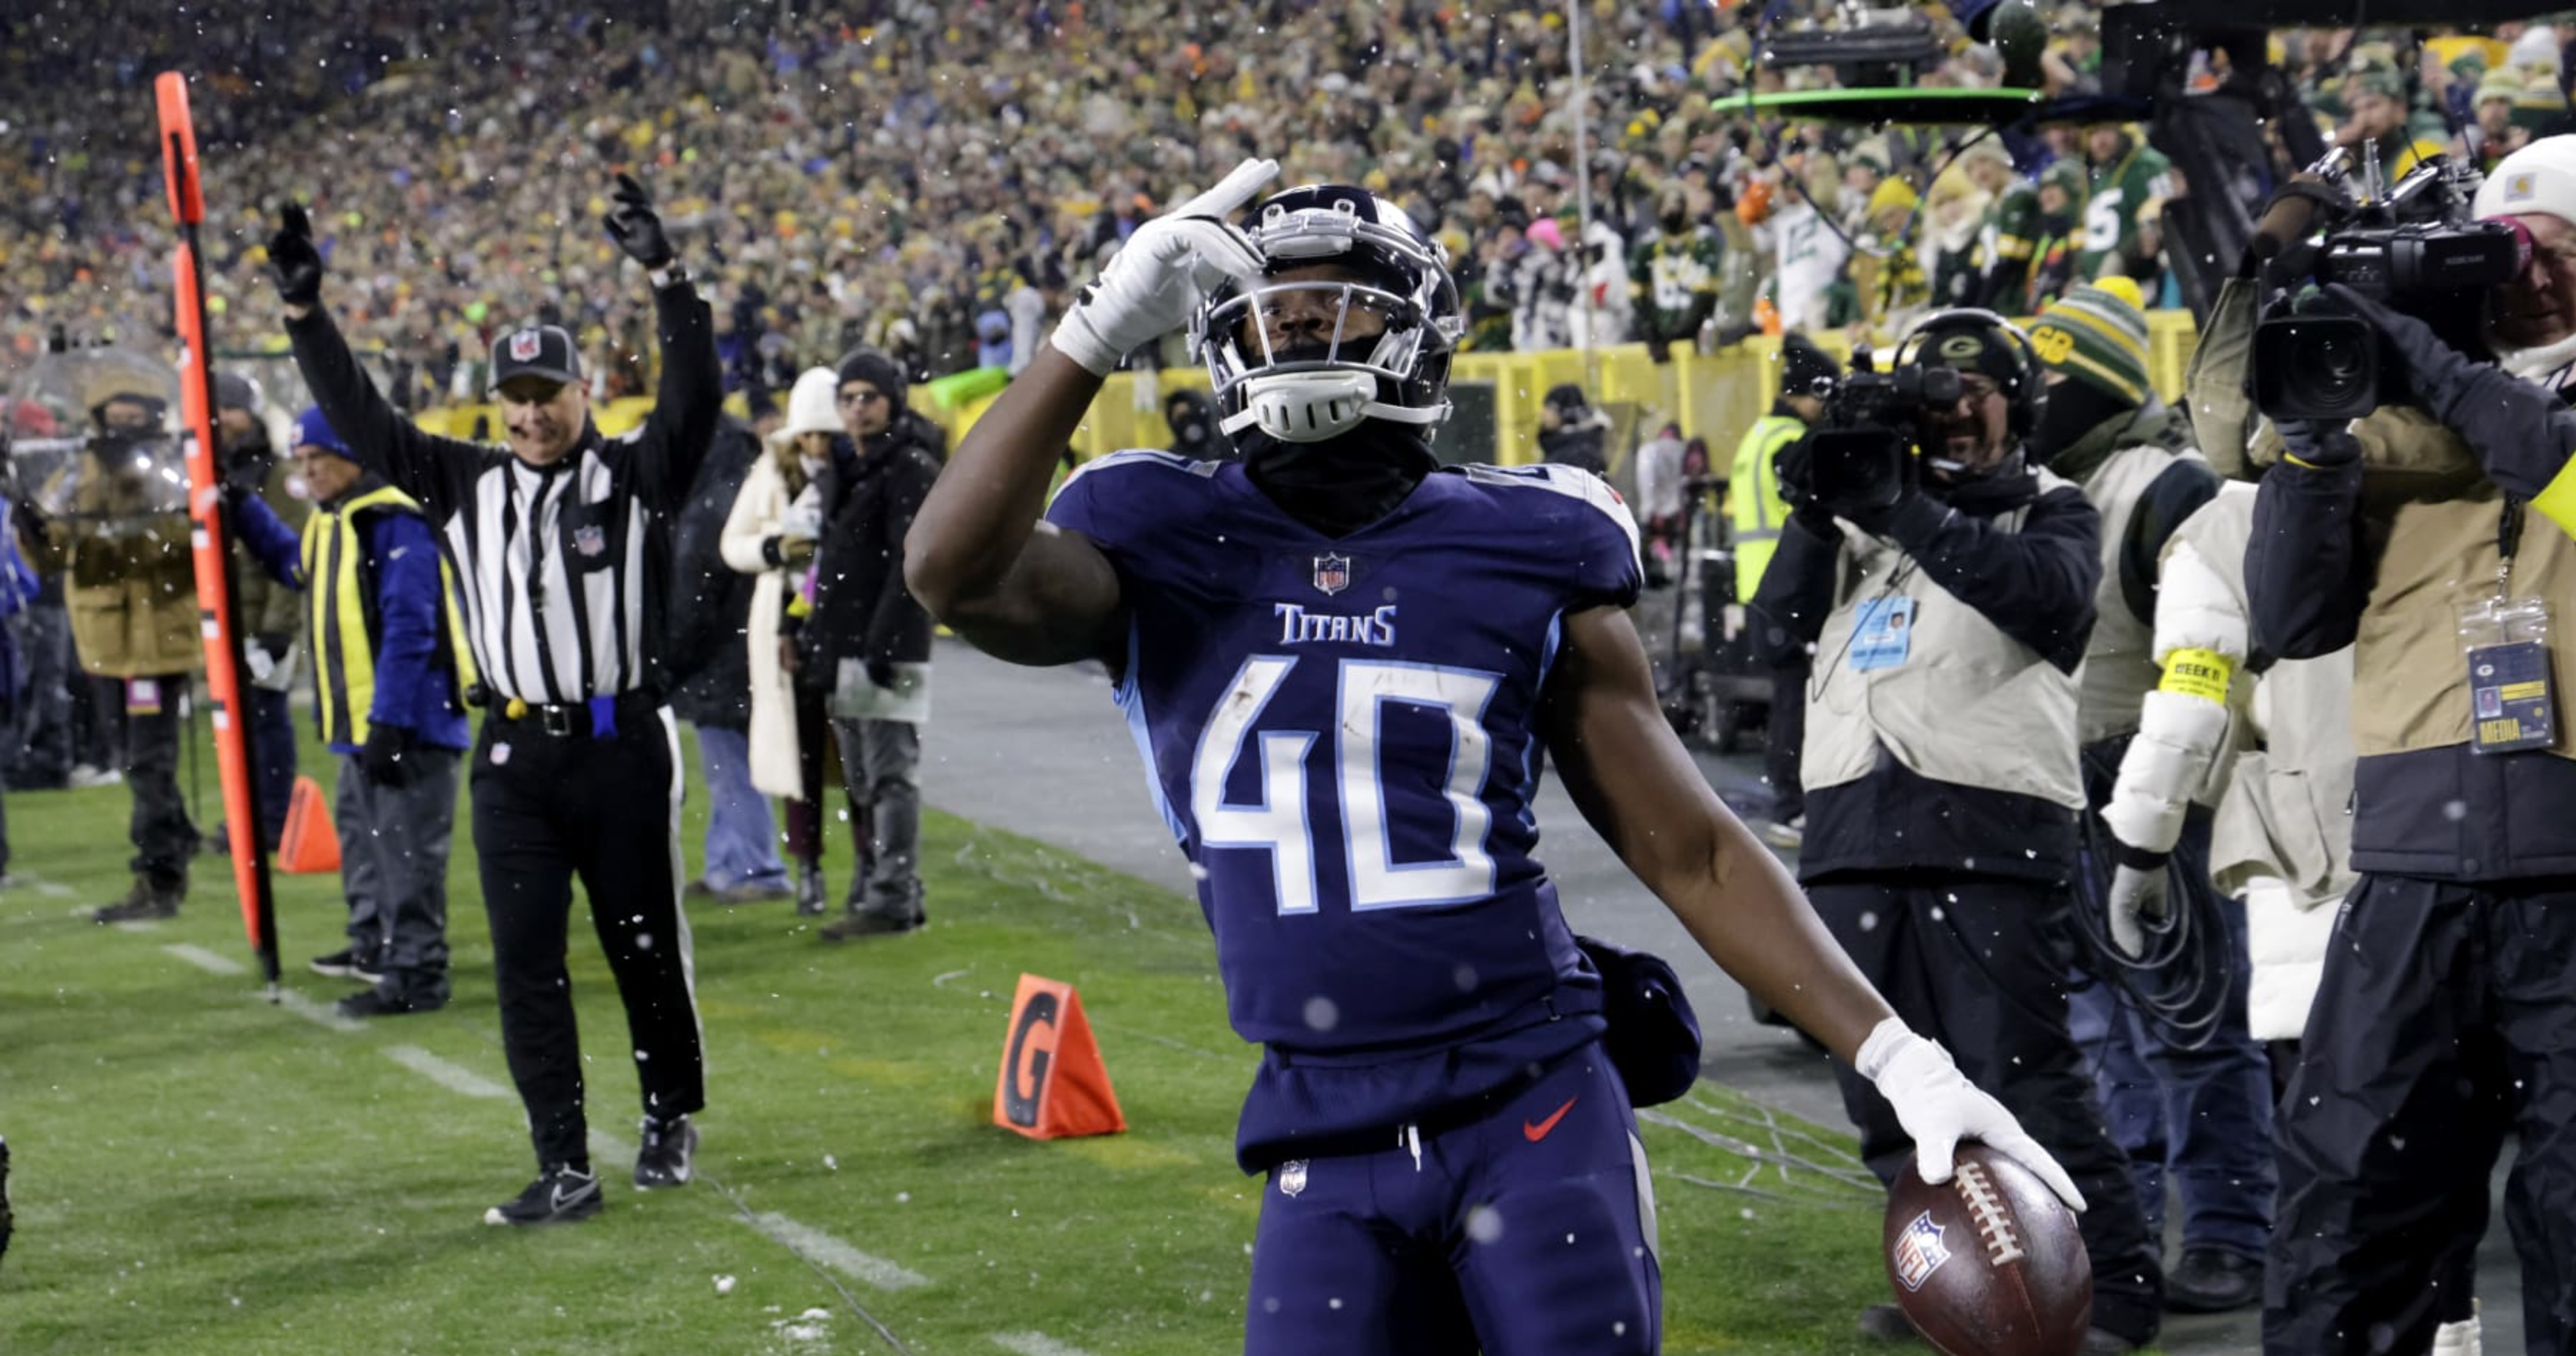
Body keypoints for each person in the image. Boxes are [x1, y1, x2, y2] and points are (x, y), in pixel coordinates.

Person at [905, 161, 2082, 1356]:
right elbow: (946, 571)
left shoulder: (1526, 540)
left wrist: (1904, 1061)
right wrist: (1094, 329)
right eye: (1275, 294)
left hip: (1530, 1103)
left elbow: (1694, 852)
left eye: (1341, 292)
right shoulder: (1157, 531)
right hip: (1320, 1126)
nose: (1303, 314)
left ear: (1420, 325)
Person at [270, 174, 718, 1225]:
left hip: (620, 744)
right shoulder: (461, 479)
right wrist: (304, 314)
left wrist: (668, 279)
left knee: (640, 943)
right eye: (514, 400)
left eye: (548, 396)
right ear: (494, 405)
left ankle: (667, 1111)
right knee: (526, 961)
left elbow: (694, 393)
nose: (531, 416)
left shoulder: (637, 475)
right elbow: (358, 416)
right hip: (514, 756)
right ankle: (563, 1160)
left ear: (581, 396)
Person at [1751, 307, 2166, 1351]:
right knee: (1885, 1096)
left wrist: (1907, 510)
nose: (1955, 417)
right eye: (1934, 398)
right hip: (1853, 832)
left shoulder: (2054, 507)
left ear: (2020, 407)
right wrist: (1816, 513)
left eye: (1976, 394)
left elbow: (2052, 605)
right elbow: (1775, 635)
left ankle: (2109, 1292)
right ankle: (1962, 1293)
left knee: (2025, 1081)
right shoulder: (1859, 525)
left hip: (1990, 829)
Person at [2245, 135, 2576, 1355]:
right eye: (2511, 253)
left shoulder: (2454, 391)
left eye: (2559, 255)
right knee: (2349, 1223)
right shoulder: (2402, 404)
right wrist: (2319, 439)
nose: (2531, 278)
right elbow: (2291, 619)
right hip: (2413, 875)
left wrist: (2420, 359)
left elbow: (2553, 459)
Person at [2021, 281, 2273, 1315]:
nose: (2034, 396)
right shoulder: (2055, 481)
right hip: (2064, 777)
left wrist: (2156, 801)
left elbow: (2203, 656)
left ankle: (2229, 1231)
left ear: (2098, 385)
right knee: (2104, 1027)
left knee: (2187, 1014)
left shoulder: (2166, 484)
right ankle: (2145, 1217)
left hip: (2150, 776)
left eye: (2052, 378)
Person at [225, 407, 475, 1017]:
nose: (308, 473)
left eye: (319, 460)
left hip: (405, 722)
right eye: (303, 462)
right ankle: (377, 946)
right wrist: (243, 509)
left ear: (353, 457)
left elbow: (411, 628)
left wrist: (390, 720)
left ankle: (417, 973)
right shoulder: (336, 520)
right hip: (362, 724)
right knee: (369, 844)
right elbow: (294, 566)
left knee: (405, 850)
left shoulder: (393, 519)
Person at [16, 380, 200, 923]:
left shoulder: (172, 470)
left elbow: (187, 542)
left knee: (148, 763)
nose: (119, 425)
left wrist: (121, 528)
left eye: (132, 415)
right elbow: (52, 557)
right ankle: (176, 838)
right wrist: (32, 531)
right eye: (113, 416)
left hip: (156, 642)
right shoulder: (75, 473)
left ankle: (158, 876)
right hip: (103, 645)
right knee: (133, 761)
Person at [799, 346, 938, 941]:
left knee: (889, 775)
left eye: (869, 398)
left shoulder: (908, 467)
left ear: (892, 402)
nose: (857, 409)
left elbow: (913, 564)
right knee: (862, 778)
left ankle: (891, 897)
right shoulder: (846, 466)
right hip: (847, 648)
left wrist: (883, 645)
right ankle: (891, 886)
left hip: (887, 649)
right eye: (848, 398)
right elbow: (835, 564)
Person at [724, 366, 843, 916]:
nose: (819, 445)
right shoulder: (771, 468)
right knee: (801, 762)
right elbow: (733, 543)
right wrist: (775, 549)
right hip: (786, 630)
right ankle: (809, 870)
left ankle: (874, 870)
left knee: (857, 756)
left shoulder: (855, 468)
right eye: (811, 434)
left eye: (828, 434)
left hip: (844, 624)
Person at [669, 407, 790, 905]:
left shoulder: (708, 503)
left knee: (731, 764)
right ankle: (727, 863)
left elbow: (691, 593)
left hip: (721, 659)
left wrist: (670, 654)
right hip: (745, 648)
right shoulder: (745, 483)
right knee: (729, 761)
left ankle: (755, 867)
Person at [1735, 334, 1838, 849]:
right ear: (1802, 394)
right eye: (1822, 397)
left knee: (1788, 702)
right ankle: (1792, 807)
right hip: (1789, 589)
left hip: (1759, 587)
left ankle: (1789, 803)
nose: (1826, 408)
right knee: (1798, 705)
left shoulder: (1757, 434)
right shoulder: (1790, 444)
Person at [212, 370, 304, 854]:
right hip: (231, 621)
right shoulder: (218, 471)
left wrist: (277, 631)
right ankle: (246, 818)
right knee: (240, 725)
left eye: (233, 408)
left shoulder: (278, 474)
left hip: (265, 622)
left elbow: (294, 558)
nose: (225, 418)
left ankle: (272, 818)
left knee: (267, 721)